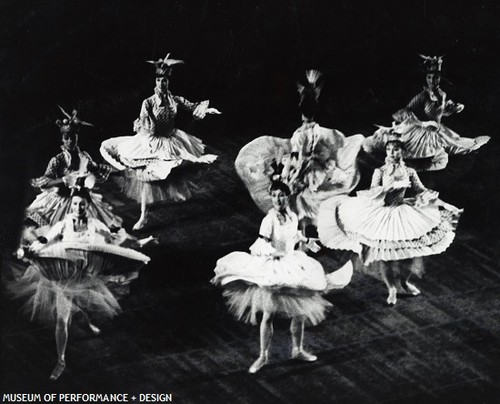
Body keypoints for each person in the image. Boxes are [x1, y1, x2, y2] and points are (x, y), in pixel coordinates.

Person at [9, 187, 152, 380]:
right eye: (75, 203)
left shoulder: (95, 224)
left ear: (88, 205)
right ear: (71, 205)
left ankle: (87, 322)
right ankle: (61, 360)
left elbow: (115, 236)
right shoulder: (64, 223)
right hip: (65, 276)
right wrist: (31, 250)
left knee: (82, 302)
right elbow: (46, 238)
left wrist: (139, 242)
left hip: (87, 273)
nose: (78, 207)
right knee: (62, 320)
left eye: (81, 204)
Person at [212, 180, 352, 373]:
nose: (278, 199)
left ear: (288, 196)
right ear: (271, 197)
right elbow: (260, 245)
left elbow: (293, 240)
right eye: (274, 195)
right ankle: (263, 356)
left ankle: (298, 349)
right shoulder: (269, 220)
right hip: (274, 268)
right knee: (268, 314)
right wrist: (273, 252)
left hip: (292, 262)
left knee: (300, 311)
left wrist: (305, 242)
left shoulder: (293, 216)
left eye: (281, 195)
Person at [318, 134, 462, 305]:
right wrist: (387, 188)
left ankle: (403, 282)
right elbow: (372, 192)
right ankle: (391, 289)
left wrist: (445, 204)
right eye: (389, 150)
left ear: (402, 151)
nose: (392, 153)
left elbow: (421, 191)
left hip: (403, 212)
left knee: (408, 255)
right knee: (386, 256)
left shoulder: (409, 171)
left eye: (396, 149)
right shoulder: (380, 171)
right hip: (382, 213)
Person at [100, 53, 221, 230]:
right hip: (150, 141)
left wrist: (207, 109)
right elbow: (145, 125)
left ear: (168, 81)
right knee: (146, 179)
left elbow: (192, 106)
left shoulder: (175, 100)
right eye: (158, 80)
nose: (161, 83)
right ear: (155, 82)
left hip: (171, 139)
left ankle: (173, 195)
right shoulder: (148, 103)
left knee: (176, 168)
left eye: (164, 80)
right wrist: (150, 140)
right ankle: (144, 215)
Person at [235, 70, 364, 232]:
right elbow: (330, 142)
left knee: (295, 195)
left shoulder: (299, 135)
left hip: (305, 167)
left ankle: (297, 230)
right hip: (316, 168)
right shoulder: (319, 130)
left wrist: (288, 174)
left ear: (300, 108)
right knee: (308, 196)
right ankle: (308, 230)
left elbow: (297, 157)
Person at [363, 55, 490, 171]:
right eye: (429, 77)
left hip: (437, 129)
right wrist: (421, 123)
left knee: (459, 144)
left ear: (439, 78)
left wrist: (452, 109)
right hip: (423, 130)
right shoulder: (423, 95)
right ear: (426, 78)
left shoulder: (443, 94)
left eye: (435, 77)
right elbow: (406, 110)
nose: (432, 81)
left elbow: (438, 113)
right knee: (406, 148)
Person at [26, 107, 122, 229]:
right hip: (62, 199)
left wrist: (120, 171)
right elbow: (45, 183)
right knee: (60, 230)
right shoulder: (58, 160)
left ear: (77, 138)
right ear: (62, 140)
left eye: (73, 137)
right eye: (67, 138)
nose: (70, 141)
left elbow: (97, 168)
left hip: (81, 199)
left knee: (93, 227)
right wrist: (64, 180)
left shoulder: (84, 156)